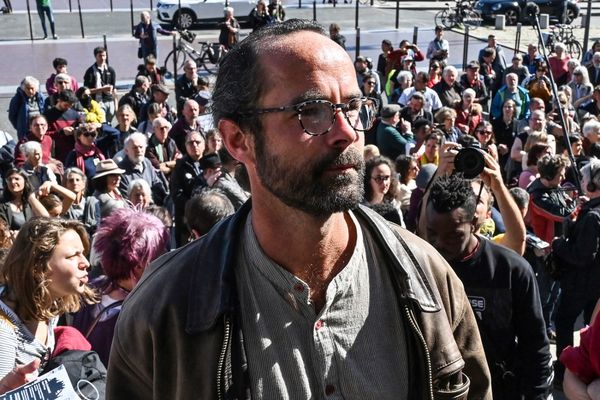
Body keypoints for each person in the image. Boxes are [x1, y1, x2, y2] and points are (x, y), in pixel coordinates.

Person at [107, 19, 492, 400]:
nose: (348, 132)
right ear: (239, 140)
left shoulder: (427, 277)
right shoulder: (164, 312)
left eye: (354, 107)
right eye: (313, 111)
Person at [425, 174, 552, 398]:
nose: (440, 244)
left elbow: (535, 347)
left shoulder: (511, 270)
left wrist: (537, 395)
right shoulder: (422, 266)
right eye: (433, 234)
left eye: (453, 236)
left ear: (474, 223)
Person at [0, 218, 96, 394]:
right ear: (38, 267)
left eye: (82, 253)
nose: (86, 263)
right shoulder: (3, 331)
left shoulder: (47, 306)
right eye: (72, 256)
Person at [70, 208, 168, 366]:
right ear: (139, 264)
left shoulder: (88, 289)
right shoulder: (144, 311)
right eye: (159, 252)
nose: (166, 255)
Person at [552, 158, 600, 389]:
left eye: (583, 179)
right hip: (593, 285)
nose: (580, 182)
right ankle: (587, 368)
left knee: (563, 322)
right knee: (591, 331)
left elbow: (582, 256)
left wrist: (558, 245)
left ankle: (563, 372)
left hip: (582, 284)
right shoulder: (592, 211)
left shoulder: (593, 216)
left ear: (593, 184)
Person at [170, 131, 206, 246]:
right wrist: (194, 207)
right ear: (185, 146)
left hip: (206, 218)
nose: (194, 145)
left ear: (204, 145)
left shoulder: (210, 164)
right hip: (186, 223)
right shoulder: (180, 167)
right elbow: (177, 195)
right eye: (190, 143)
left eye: (197, 142)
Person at [0, 168, 48, 235]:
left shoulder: (32, 200)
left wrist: (31, 198)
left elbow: (46, 218)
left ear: (25, 181)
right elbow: (4, 230)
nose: (13, 182)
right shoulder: (2, 204)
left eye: (17, 179)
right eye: (9, 179)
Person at [83, 47, 117, 124]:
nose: (103, 58)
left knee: (109, 123)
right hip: (98, 102)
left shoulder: (110, 70)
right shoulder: (90, 72)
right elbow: (86, 91)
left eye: (104, 55)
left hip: (110, 101)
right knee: (102, 123)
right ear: (96, 57)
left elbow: (114, 88)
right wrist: (102, 89)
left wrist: (116, 105)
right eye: (100, 56)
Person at [62, 167, 99, 235]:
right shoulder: (63, 206)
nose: (75, 183)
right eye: (71, 180)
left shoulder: (92, 202)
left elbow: (98, 226)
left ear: (83, 184)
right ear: (65, 185)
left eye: (77, 180)